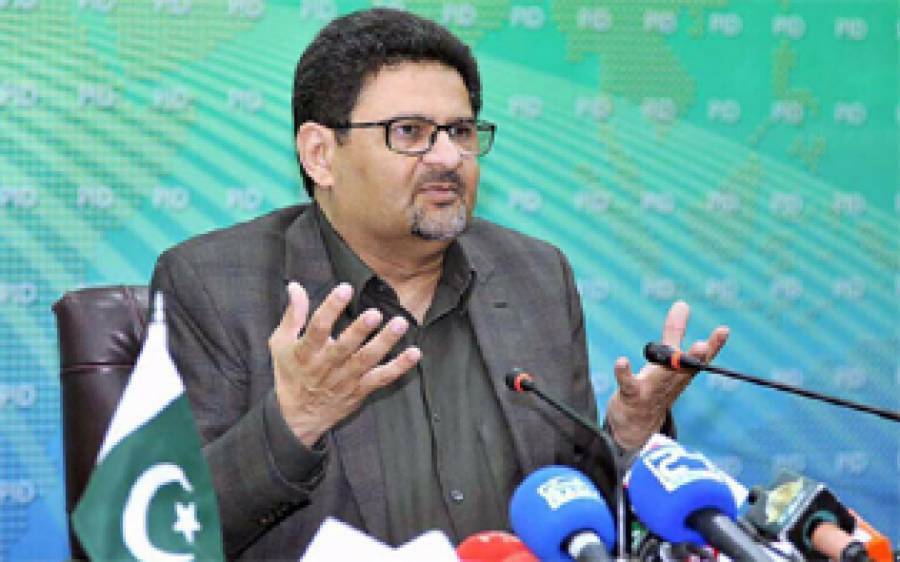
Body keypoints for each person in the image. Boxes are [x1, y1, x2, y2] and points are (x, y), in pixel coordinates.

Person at [150, 8, 729, 560]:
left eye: (461, 130)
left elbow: (572, 514)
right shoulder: (214, 286)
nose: (449, 157)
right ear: (320, 155)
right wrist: (293, 423)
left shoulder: (535, 276)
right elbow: (163, 529)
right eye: (410, 132)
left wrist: (627, 437)